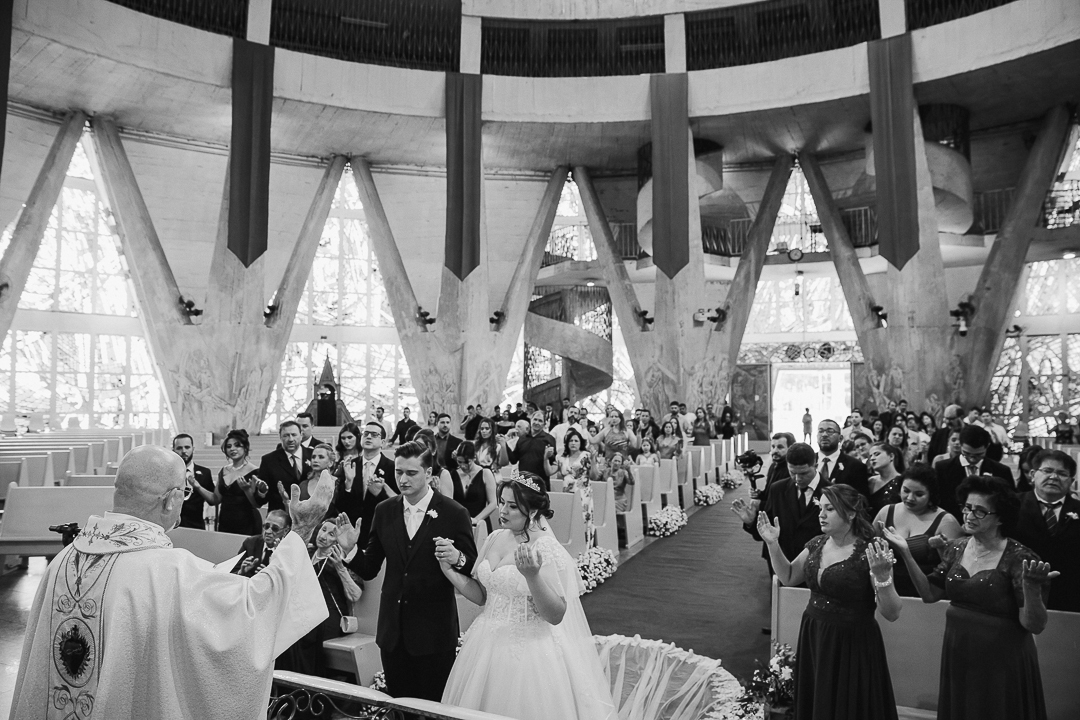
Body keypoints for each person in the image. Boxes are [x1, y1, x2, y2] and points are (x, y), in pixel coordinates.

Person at [10, 445, 331, 720]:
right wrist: (302, 529)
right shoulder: (167, 572)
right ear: (169, 501)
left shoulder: (63, 561)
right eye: (184, 492)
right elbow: (252, 610)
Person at [439, 472, 618, 720]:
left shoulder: (545, 547)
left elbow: (555, 615)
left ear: (533, 511)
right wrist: (449, 571)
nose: (503, 510)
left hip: (528, 651)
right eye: (502, 502)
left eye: (512, 506)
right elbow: (482, 596)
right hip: (484, 644)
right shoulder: (494, 538)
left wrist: (533, 577)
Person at [882, 476, 1055, 720]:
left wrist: (1032, 587)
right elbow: (930, 594)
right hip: (959, 650)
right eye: (967, 508)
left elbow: (1034, 625)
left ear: (1001, 517)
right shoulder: (957, 548)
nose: (970, 515)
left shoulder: (1021, 557)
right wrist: (906, 553)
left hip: (1002, 657)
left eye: (980, 511)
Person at [335, 440, 479, 701]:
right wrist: (351, 550)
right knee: (398, 707)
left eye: (411, 473)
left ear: (428, 474)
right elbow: (369, 569)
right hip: (393, 633)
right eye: (398, 472)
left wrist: (457, 557)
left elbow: (472, 566)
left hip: (434, 634)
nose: (402, 479)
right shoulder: (384, 510)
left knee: (433, 709)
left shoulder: (454, 513)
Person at [758, 484, 901, 720]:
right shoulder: (817, 543)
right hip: (815, 634)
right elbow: (789, 576)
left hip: (852, 642)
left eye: (830, 509)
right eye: (820, 508)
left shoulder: (871, 551)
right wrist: (773, 544)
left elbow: (892, 612)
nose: (821, 515)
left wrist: (884, 577)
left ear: (851, 513)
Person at [276, 519, 363, 678]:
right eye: (323, 530)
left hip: (326, 614)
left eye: (331, 534)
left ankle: (303, 685)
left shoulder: (342, 560)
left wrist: (340, 568)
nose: (324, 536)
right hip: (302, 610)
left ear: (338, 539)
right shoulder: (307, 553)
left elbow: (355, 594)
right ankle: (283, 685)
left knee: (301, 633)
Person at [734, 442, 825, 576]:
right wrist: (752, 522)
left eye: (804, 473)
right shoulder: (777, 489)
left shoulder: (831, 492)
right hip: (782, 561)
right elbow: (769, 527)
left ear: (816, 466)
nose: (798, 479)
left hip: (818, 565)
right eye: (792, 472)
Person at [872, 465, 962, 597]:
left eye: (919, 494)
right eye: (906, 491)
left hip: (925, 593)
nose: (910, 498)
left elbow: (955, 570)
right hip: (888, 590)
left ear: (931, 494)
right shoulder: (886, 512)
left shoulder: (946, 521)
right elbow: (866, 549)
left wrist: (940, 548)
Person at [1013, 448, 1080, 612]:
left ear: (1071, 480)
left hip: (1069, 596)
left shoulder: (1078, 509)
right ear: (1032, 474)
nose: (1054, 477)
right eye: (1047, 471)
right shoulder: (1013, 505)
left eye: (1062, 473)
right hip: (1018, 592)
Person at [330, 422, 396, 553]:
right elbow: (339, 504)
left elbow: (398, 504)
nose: (369, 437)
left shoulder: (392, 467)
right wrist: (348, 483)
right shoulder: (349, 465)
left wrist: (379, 494)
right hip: (351, 532)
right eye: (366, 434)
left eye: (374, 434)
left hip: (379, 531)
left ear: (382, 442)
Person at [934, 424, 1013, 519]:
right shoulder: (942, 468)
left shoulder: (1001, 471)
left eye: (978, 455)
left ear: (987, 446)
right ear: (961, 445)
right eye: (966, 453)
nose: (972, 459)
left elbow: (1009, 504)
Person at [213, 428, 266, 535]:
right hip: (225, 521)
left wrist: (247, 490)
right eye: (229, 446)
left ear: (245, 448)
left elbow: (256, 504)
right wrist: (197, 486)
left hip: (247, 523)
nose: (232, 449)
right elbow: (216, 498)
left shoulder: (255, 472)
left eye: (237, 445)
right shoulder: (224, 470)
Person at [259, 420, 312, 512]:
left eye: (294, 435)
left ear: (301, 435)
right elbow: (262, 498)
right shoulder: (269, 460)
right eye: (286, 435)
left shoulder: (313, 455)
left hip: (309, 513)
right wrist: (260, 491)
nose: (290, 439)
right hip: (280, 515)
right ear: (280, 437)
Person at [815, 419, 871, 497]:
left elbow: (862, 500)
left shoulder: (856, 466)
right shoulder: (808, 462)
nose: (824, 435)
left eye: (830, 431)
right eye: (820, 431)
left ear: (840, 438)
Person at [172, 433, 215, 530]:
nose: (184, 451)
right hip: (172, 526)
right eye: (179, 448)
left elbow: (212, 501)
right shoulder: (167, 472)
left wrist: (198, 487)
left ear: (193, 448)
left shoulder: (205, 472)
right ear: (173, 450)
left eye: (187, 447)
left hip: (196, 525)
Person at [506, 410, 558, 490]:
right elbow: (513, 460)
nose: (537, 422)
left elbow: (553, 463)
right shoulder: (522, 439)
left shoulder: (549, 439)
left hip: (541, 484)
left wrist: (549, 457)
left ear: (544, 424)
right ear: (531, 420)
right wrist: (505, 444)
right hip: (523, 483)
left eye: (540, 421)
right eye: (535, 419)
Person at [231, 509, 292, 577]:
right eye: (266, 526)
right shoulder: (250, 543)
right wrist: (241, 572)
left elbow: (290, 581)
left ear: (285, 531)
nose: (268, 531)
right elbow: (232, 573)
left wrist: (269, 576)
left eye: (275, 528)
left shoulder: (288, 550)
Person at [455, 441, 498, 530]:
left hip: (480, 522)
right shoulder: (452, 474)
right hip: (458, 523)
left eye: (467, 462)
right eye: (459, 462)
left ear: (474, 457)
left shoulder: (485, 473)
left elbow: (493, 503)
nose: (463, 466)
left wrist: (476, 519)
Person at [416, 427, 464, 502]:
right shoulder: (411, 473)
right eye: (416, 447)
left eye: (424, 448)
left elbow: (449, 508)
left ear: (433, 451)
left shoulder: (443, 474)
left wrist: (436, 495)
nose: (419, 452)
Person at [752, 432, 793, 506]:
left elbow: (783, 504)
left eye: (780, 447)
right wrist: (759, 494)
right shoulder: (773, 466)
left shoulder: (791, 471)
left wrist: (760, 505)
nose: (775, 451)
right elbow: (769, 495)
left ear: (790, 448)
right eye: (773, 447)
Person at [866, 442, 904, 515]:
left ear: (891, 456)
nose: (872, 458)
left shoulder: (902, 481)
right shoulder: (870, 481)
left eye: (877, 454)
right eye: (870, 456)